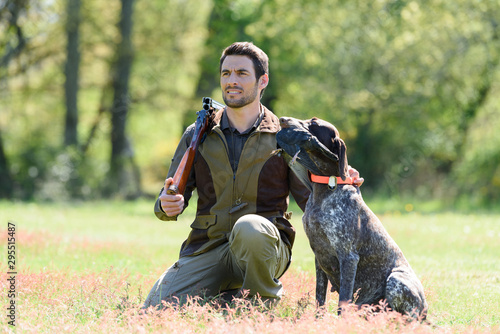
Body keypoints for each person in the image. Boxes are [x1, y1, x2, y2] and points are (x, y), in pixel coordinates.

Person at [143, 42, 363, 309]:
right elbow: (169, 199)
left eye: (241, 73)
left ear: (263, 81)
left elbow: (314, 201)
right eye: (226, 73)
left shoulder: (286, 138)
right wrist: (166, 203)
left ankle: (260, 306)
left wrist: (341, 185)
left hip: (264, 247)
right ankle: (227, 300)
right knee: (155, 309)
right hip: (207, 247)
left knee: (249, 228)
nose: (231, 81)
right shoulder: (198, 133)